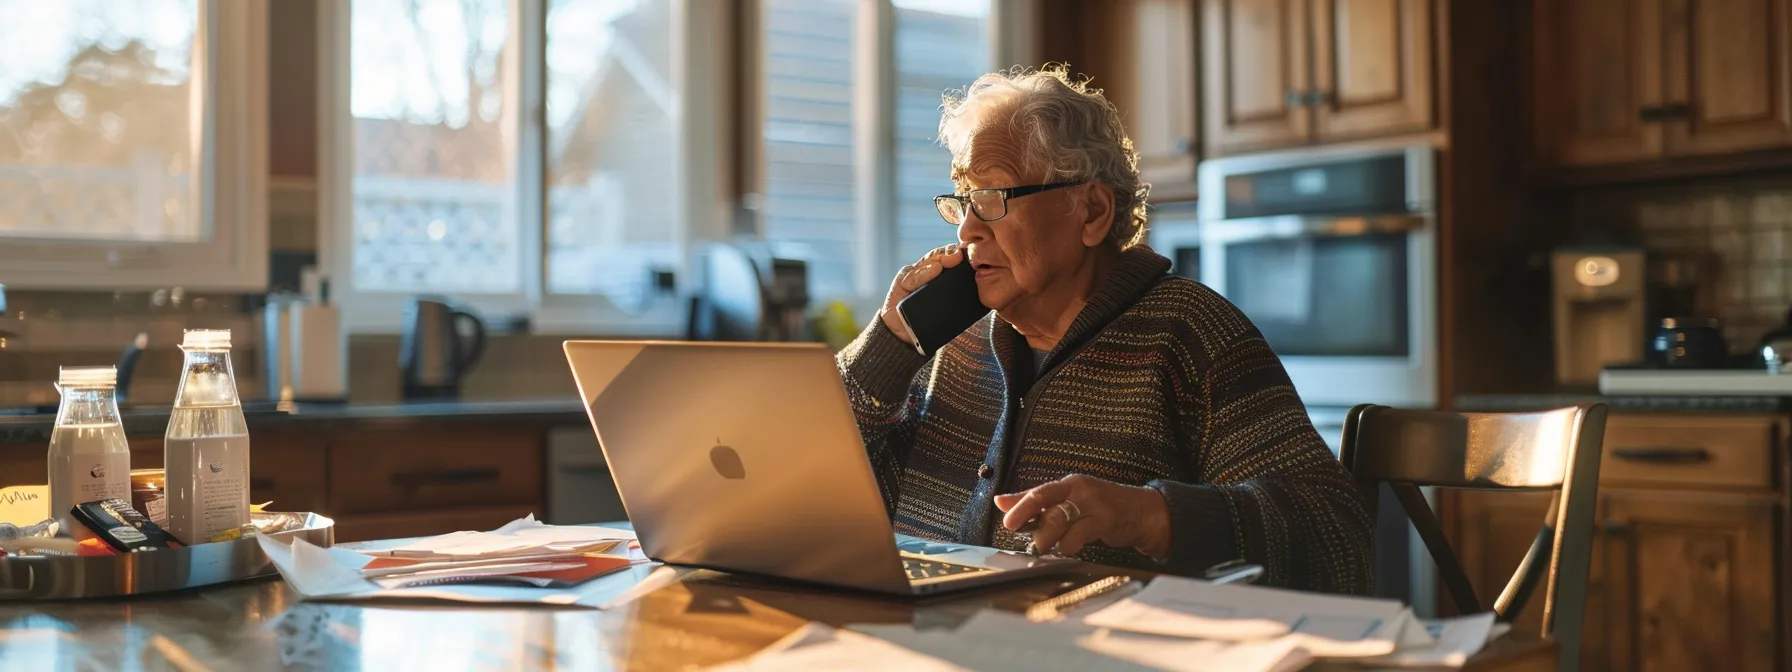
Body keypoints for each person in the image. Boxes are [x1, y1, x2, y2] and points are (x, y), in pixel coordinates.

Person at [835, 66, 1373, 594]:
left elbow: (1337, 539)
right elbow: (818, 497)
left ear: (1091, 211)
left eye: (994, 197)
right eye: (965, 200)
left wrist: (1150, 515)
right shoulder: (953, 341)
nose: (969, 228)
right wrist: (888, 345)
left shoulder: (1189, 333)